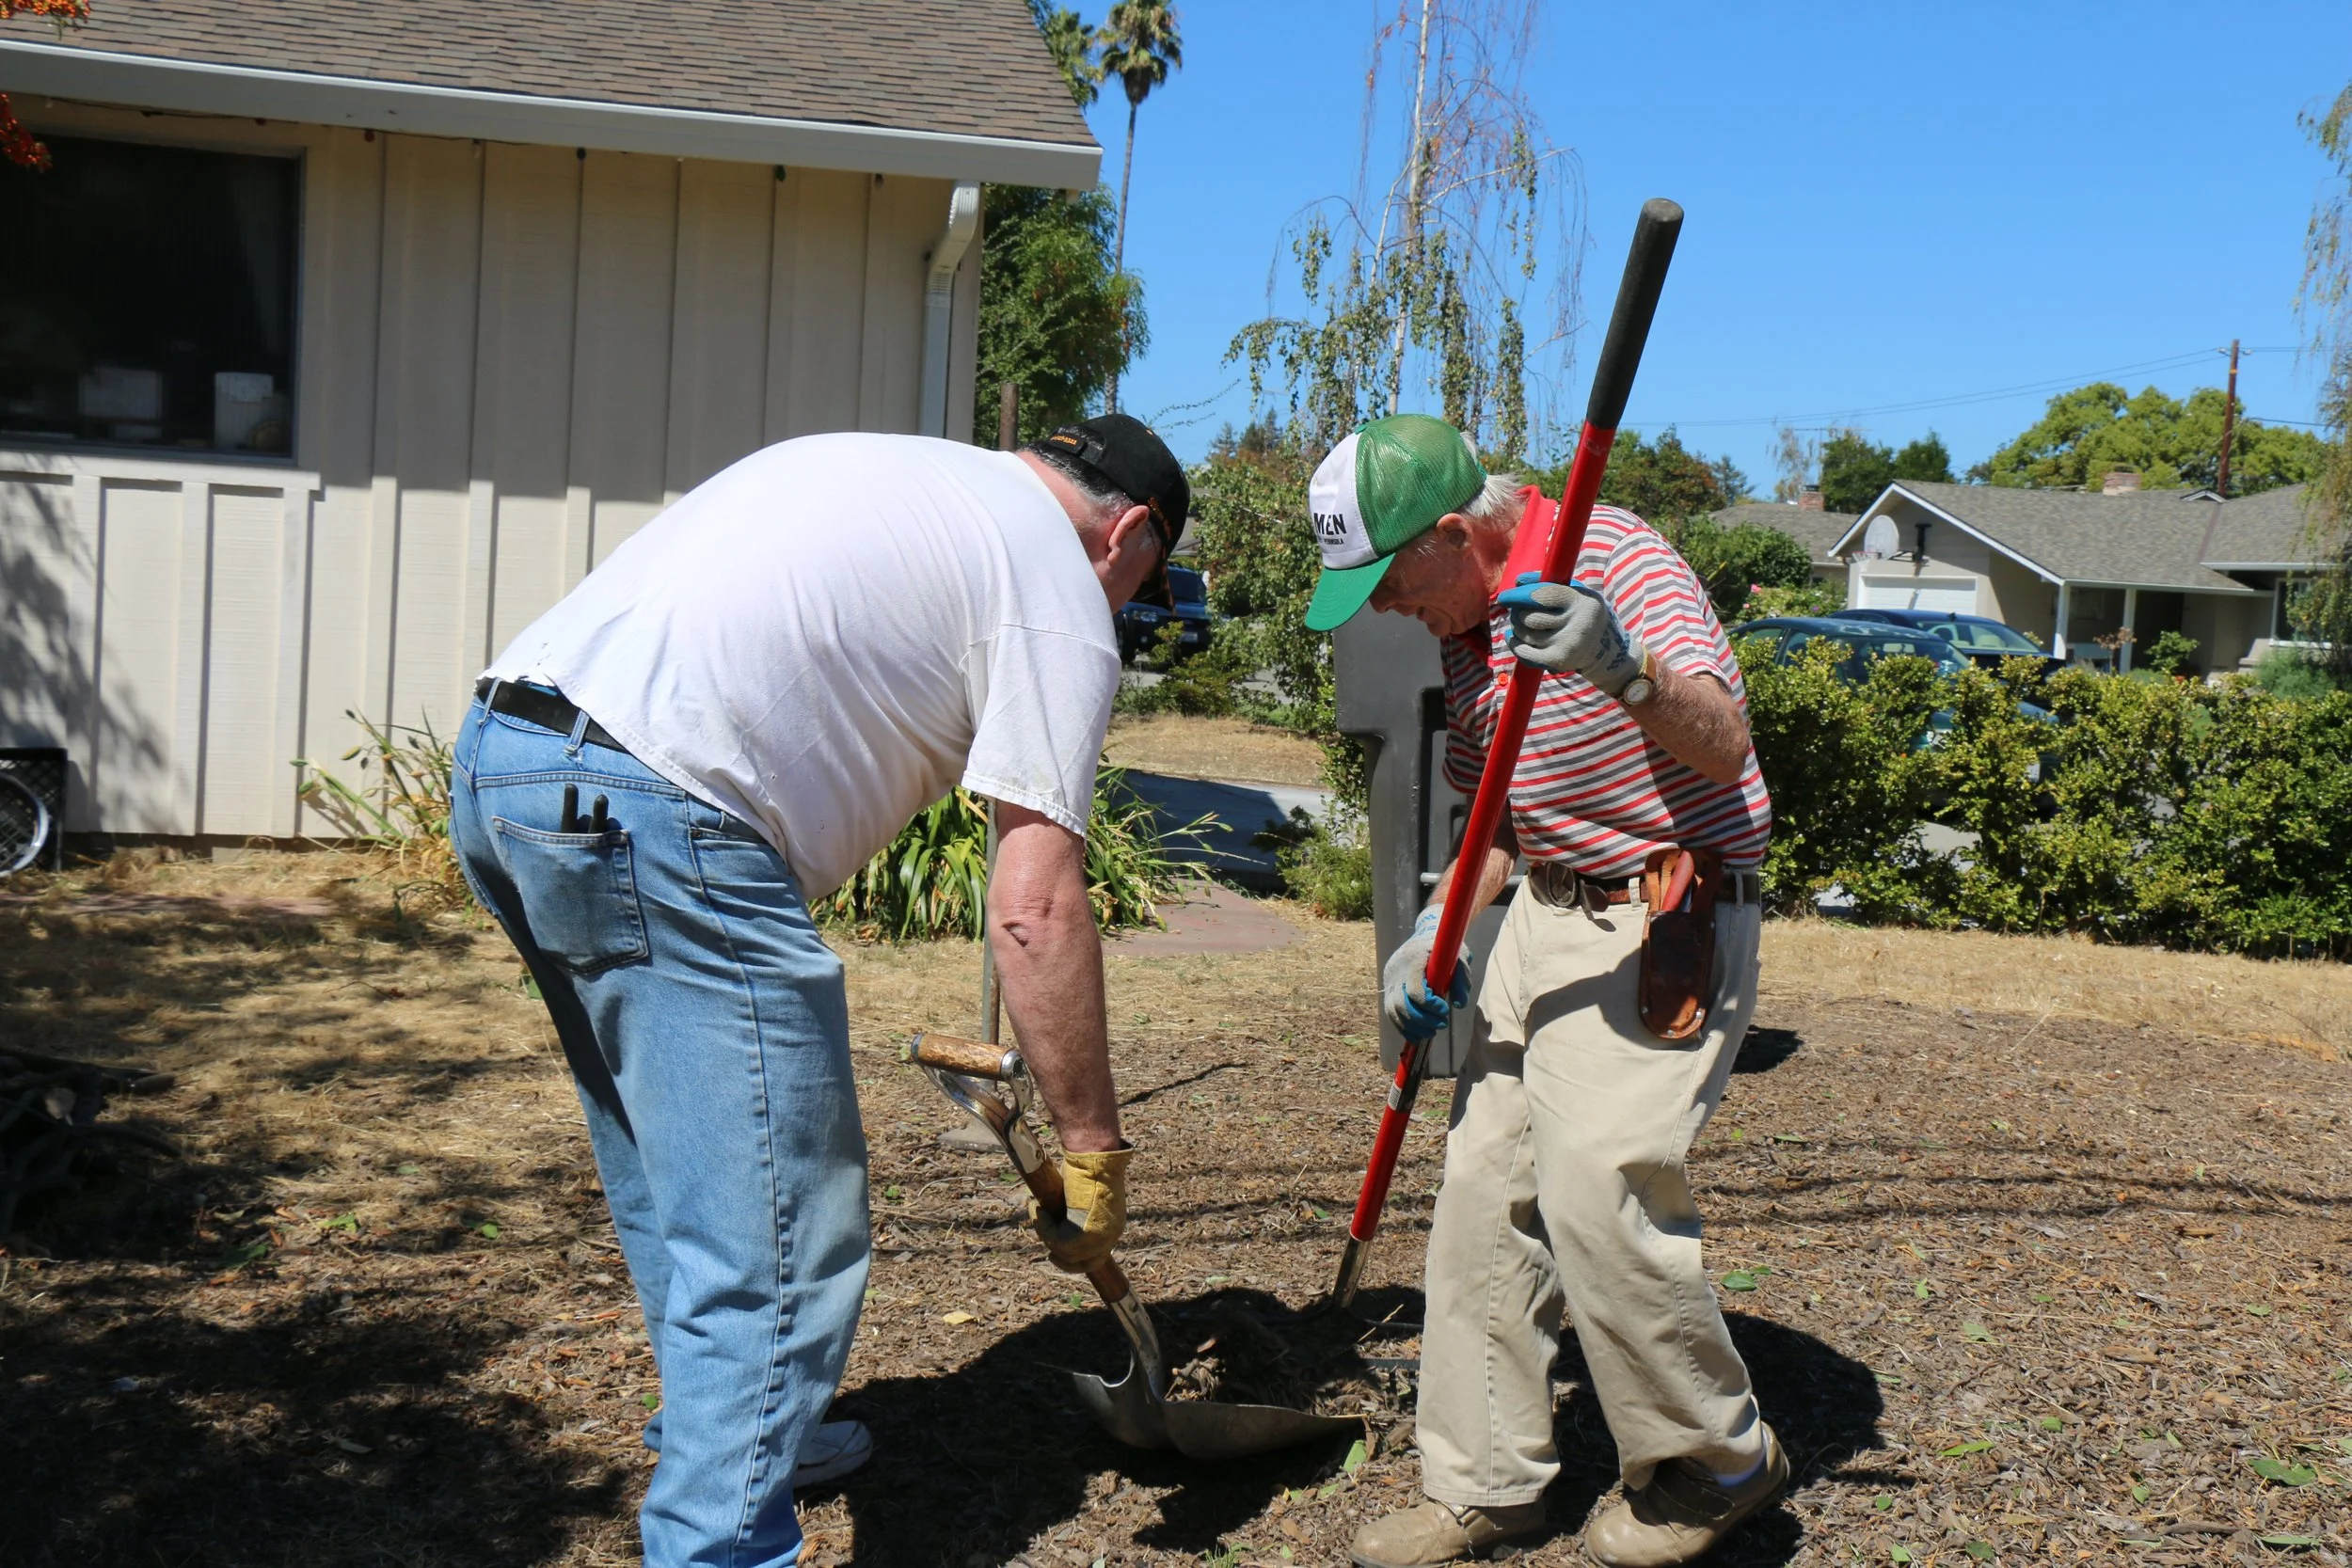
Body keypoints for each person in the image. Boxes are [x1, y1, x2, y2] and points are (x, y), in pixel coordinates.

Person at [446, 415, 1185, 1568]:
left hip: (509, 762)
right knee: (782, 1230)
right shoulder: (1055, 585)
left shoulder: (912, 473)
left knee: (677, 1169)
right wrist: (1092, 1146)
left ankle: (742, 1436)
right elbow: (1033, 905)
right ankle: (720, 1544)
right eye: (1140, 584)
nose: (1127, 610)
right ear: (1128, 532)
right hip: (662, 800)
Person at [1303, 416, 1783, 1568]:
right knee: (1481, 1188)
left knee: (1594, 1185)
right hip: (1541, 915)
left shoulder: (1615, 561)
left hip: (1659, 913)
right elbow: (1497, 827)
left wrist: (1621, 665)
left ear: (1458, 534)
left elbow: (1723, 743)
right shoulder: (1465, 623)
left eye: (1388, 581)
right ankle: (1485, 1481)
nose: (1382, 610)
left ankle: (1717, 1458)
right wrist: (1436, 931)